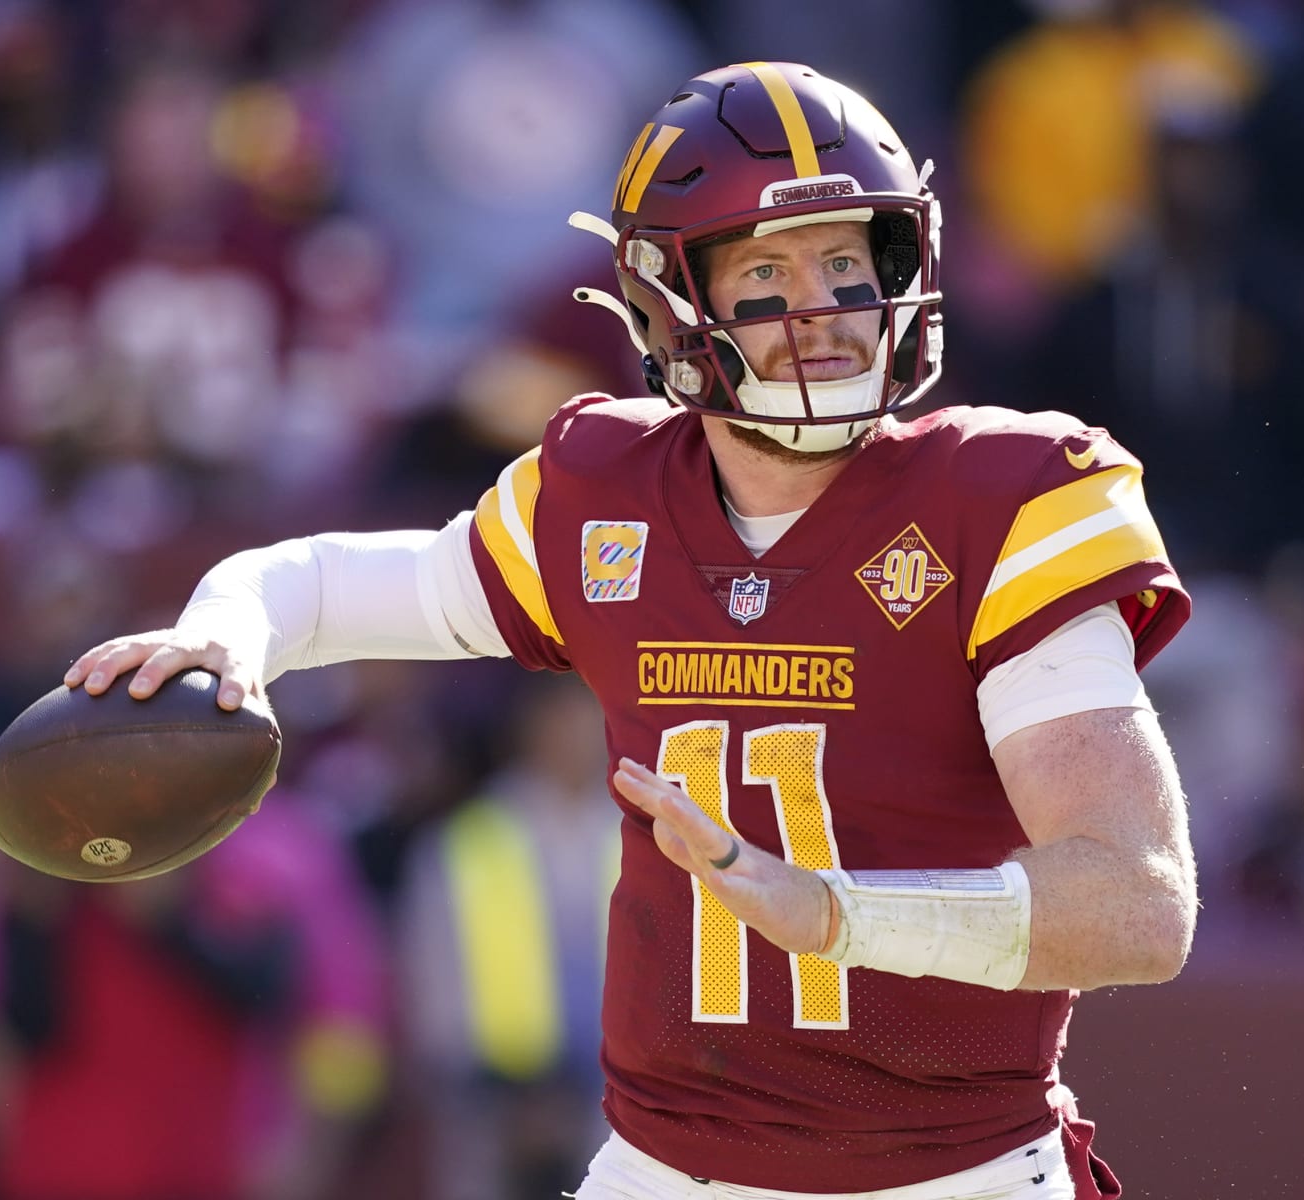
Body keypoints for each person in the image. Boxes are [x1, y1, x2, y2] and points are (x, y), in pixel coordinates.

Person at [66, 62, 1197, 1200]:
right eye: (766, 271)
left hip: (958, 1176)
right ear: (668, 300)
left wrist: (835, 915)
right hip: (661, 1171)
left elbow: (1140, 907)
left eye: (846, 261)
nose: (824, 311)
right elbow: (312, 585)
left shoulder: (1001, 498)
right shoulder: (603, 491)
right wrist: (224, 637)